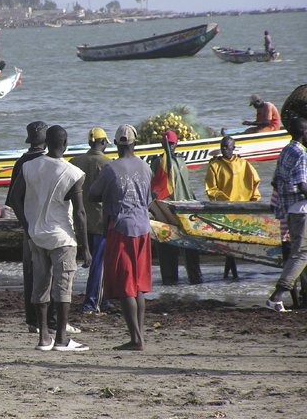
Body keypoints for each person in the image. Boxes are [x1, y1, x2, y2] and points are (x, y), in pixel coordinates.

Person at [9, 125, 91, 352]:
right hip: (62, 238)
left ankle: (44, 337)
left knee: (41, 285)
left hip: (37, 236)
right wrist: (85, 247)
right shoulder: (73, 173)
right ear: (65, 145)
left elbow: (14, 199)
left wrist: (28, 226)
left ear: (45, 142)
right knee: (63, 288)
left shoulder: (29, 166)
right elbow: (80, 213)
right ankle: (62, 338)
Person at [89, 124, 152, 351]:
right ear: (134, 143)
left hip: (121, 228)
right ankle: (140, 335)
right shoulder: (146, 167)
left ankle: (136, 339)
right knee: (139, 286)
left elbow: (92, 194)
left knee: (126, 285)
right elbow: (149, 198)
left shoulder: (110, 169)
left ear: (115, 144)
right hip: (143, 228)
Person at [4, 121, 63, 335]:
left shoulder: (21, 162)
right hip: (50, 223)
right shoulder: (50, 162)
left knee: (31, 275)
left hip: (29, 224)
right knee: (53, 273)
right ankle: (52, 322)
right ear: (46, 142)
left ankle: (33, 321)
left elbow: (12, 199)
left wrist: (26, 224)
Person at [150, 131, 203, 285]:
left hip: (185, 209)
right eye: (167, 144)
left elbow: (187, 186)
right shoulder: (158, 162)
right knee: (166, 244)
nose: (170, 147)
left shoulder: (181, 161)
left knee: (190, 246)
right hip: (166, 210)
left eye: (172, 144)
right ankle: (169, 279)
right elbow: (155, 187)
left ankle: (195, 278)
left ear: (177, 144)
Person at [204, 136, 261, 278]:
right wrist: (224, 201)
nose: (224, 149)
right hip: (224, 210)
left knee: (231, 245)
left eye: (227, 147)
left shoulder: (244, 164)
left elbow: (255, 183)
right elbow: (211, 188)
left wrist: (253, 202)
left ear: (233, 148)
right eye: (222, 146)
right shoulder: (214, 165)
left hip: (241, 210)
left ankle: (230, 275)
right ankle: (233, 275)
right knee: (228, 244)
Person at [70, 128, 112, 314]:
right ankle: (90, 302)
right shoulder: (108, 164)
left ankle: (101, 300)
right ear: (103, 143)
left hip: (76, 222)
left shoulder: (74, 162)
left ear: (89, 143)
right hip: (99, 223)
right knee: (98, 265)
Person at [267, 117, 307, 312]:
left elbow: (275, 181)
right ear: (303, 133)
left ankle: (302, 299)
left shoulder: (285, 150)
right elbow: (302, 185)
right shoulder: (300, 153)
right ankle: (277, 295)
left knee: (301, 253)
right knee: (302, 253)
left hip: (290, 210)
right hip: (301, 210)